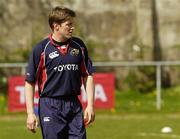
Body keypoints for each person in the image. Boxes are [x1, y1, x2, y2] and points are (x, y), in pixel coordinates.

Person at [25, 6, 95, 139]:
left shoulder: (79, 46)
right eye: (68, 25)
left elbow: (87, 75)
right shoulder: (41, 49)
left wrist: (90, 105)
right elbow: (29, 82)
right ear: (56, 26)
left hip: (74, 105)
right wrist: (30, 113)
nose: (72, 28)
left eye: (72, 24)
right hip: (50, 106)